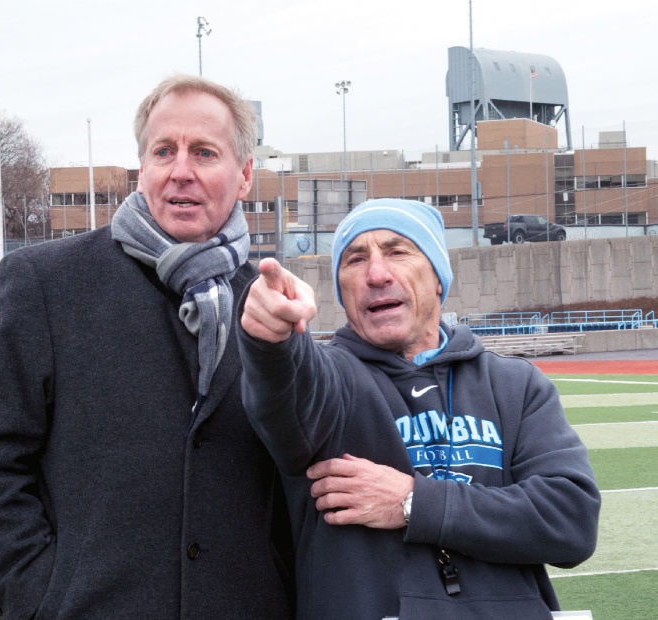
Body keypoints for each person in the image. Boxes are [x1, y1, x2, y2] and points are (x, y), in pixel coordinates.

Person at [0, 74, 294, 619]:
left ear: (244, 175)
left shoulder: (269, 304)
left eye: (204, 152)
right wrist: (40, 602)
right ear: (142, 169)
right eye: (164, 151)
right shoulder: (46, 284)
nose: (181, 171)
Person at [237, 198, 600, 619]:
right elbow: (286, 388)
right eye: (355, 260)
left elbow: (570, 521)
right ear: (342, 291)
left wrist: (414, 503)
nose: (376, 274)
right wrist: (271, 341)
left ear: (438, 279)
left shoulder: (516, 385)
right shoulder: (329, 382)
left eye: (397, 251)